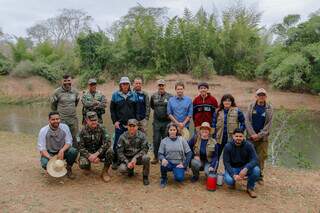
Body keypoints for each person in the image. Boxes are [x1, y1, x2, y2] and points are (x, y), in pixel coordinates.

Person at [37, 111, 78, 179]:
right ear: (49, 120)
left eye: (57, 119)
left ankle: (68, 168)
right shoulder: (43, 130)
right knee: (44, 163)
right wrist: (51, 159)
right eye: (53, 119)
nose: (56, 121)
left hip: (62, 152)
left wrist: (62, 150)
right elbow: (42, 149)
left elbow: (69, 142)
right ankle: (52, 169)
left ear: (60, 119)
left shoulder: (65, 127)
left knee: (73, 151)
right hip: (50, 153)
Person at [245, 88, 273, 184]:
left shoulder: (269, 108)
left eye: (263, 95)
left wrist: (259, 135)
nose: (261, 97)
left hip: (263, 138)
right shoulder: (251, 106)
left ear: (265, 97)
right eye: (259, 95)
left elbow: (269, 124)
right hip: (250, 137)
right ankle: (248, 173)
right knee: (249, 156)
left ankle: (259, 176)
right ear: (256, 96)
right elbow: (247, 121)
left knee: (261, 157)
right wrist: (253, 134)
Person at [223, 128, 260, 198]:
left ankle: (250, 188)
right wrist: (233, 175)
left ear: (243, 137)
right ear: (233, 136)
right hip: (233, 168)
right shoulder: (228, 146)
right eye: (236, 136)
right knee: (229, 180)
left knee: (256, 170)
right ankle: (233, 182)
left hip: (244, 168)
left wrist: (246, 168)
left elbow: (255, 159)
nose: (238, 138)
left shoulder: (248, 145)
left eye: (240, 136)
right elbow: (226, 163)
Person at [110, 77, 138, 169]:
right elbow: (112, 110)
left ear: (129, 85)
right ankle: (115, 161)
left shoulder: (134, 95)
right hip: (120, 124)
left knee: (130, 143)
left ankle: (129, 161)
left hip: (131, 125)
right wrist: (115, 121)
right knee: (117, 143)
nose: (125, 85)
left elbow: (137, 110)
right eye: (123, 84)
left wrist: (136, 121)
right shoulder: (115, 95)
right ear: (120, 85)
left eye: (127, 84)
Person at [78, 111, 113, 182]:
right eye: (91, 120)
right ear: (86, 120)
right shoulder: (82, 131)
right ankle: (87, 167)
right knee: (83, 163)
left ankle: (105, 172)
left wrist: (97, 154)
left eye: (95, 120)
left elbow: (107, 142)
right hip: (88, 153)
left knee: (110, 151)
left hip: (99, 152)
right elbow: (80, 147)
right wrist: (89, 156)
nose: (94, 122)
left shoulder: (102, 128)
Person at [158, 123, 192, 188]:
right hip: (168, 163)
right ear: (168, 131)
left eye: (174, 130)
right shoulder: (164, 141)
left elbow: (189, 153)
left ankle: (176, 172)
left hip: (179, 164)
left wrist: (184, 164)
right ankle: (164, 178)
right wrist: (163, 159)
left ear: (177, 131)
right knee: (163, 164)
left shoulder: (182, 140)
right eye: (171, 130)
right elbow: (160, 154)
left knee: (179, 178)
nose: (172, 132)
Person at [117, 119, 150, 185]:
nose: (132, 128)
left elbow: (145, 149)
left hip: (138, 158)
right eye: (130, 126)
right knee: (122, 169)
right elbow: (119, 152)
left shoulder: (142, 136)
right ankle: (130, 170)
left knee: (146, 158)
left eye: (134, 126)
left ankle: (145, 176)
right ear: (127, 126)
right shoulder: (122, 137)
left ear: (137, 127)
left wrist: (135, 158)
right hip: (127, 158)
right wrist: (127, 162)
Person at [51, 74, 80, 147]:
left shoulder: (75, 91)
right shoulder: (56, 92)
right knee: (62, 137)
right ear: (62, 81)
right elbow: (53, 106)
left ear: (71, 81)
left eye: (69, 80)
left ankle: (74, 154)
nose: (67, 82)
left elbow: (76, 103)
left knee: (75, 138)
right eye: (65, 81)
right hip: (62, 119)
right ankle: (62, 154)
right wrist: (58, 118)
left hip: (73, 119)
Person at [213, 94, 245, 159]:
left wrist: (239, 132)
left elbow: (243, 123)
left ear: (232, 102)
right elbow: (213, 124)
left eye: (229, 101)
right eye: (225, 100)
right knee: (216, 157)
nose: (227, 102)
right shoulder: (217, 112)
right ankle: (213, 169)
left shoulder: (237, 111)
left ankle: (228, 169)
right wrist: (213, 136)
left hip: (231, 139)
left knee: (231, 157)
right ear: (222, 102)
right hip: (219, 138)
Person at [150, 79, 173, 164]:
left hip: (167, 122)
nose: (161, 87)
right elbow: (152, 106)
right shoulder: (153, 96)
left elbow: (172, 108)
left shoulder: (170, 96)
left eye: (162, 85)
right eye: (159, 85)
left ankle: (165, 157)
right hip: (156, 122)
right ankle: (156, 157)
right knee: (156, 140)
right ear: (158, 86)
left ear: (165, 86)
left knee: (166, 140)